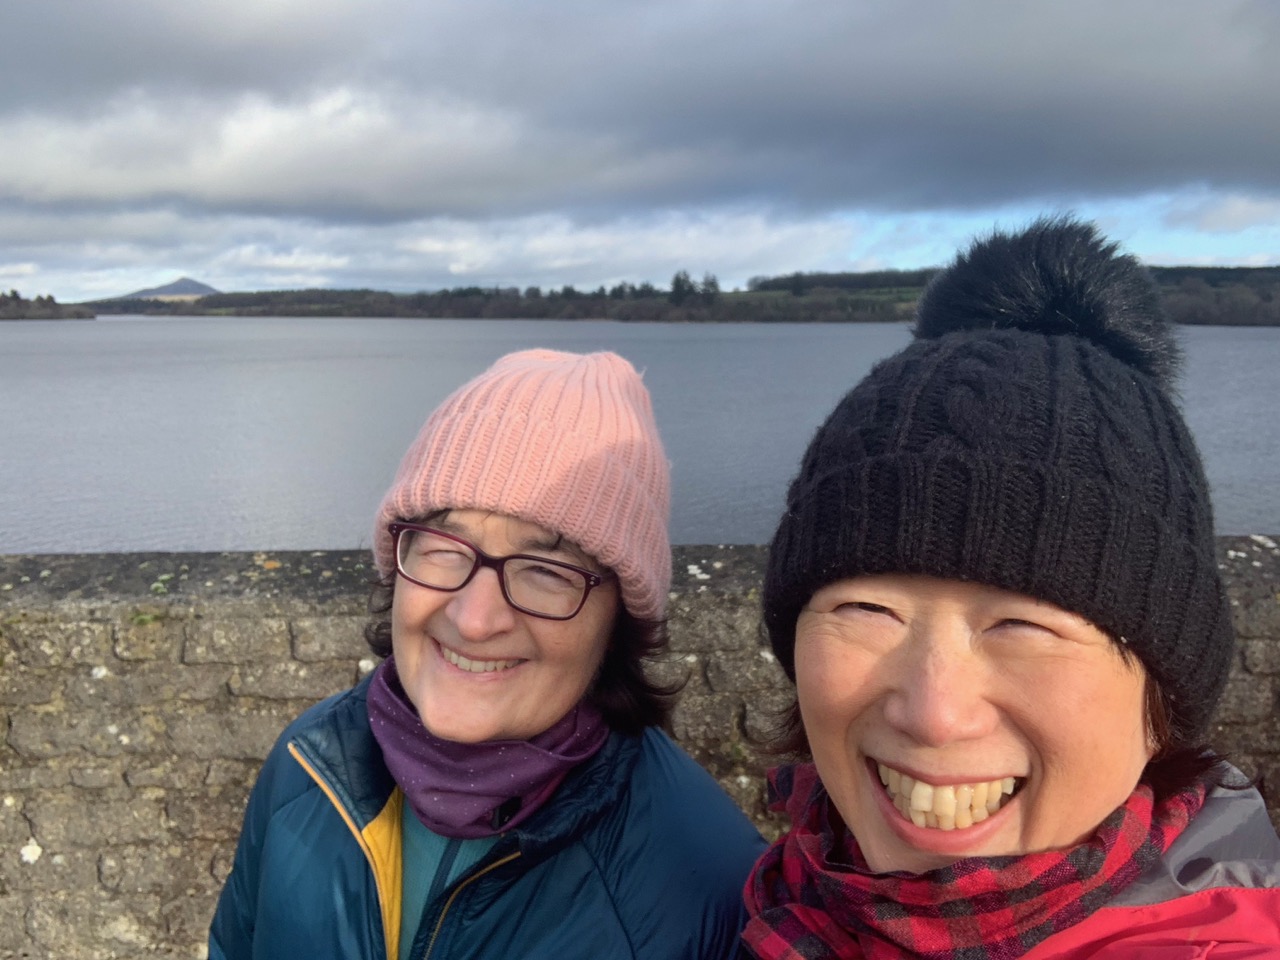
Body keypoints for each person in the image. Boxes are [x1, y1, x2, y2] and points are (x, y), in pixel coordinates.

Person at [742, 218, 1280, 959]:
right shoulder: (788, 895)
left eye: (1023, 626)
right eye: (867, 610)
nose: (934, 715)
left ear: (1163, 700)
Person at [209, 348, 764, 959]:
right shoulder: (308, 763)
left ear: (618, 621)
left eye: (547, 571)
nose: (474, 620)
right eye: (444, 547)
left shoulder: (708, 889)